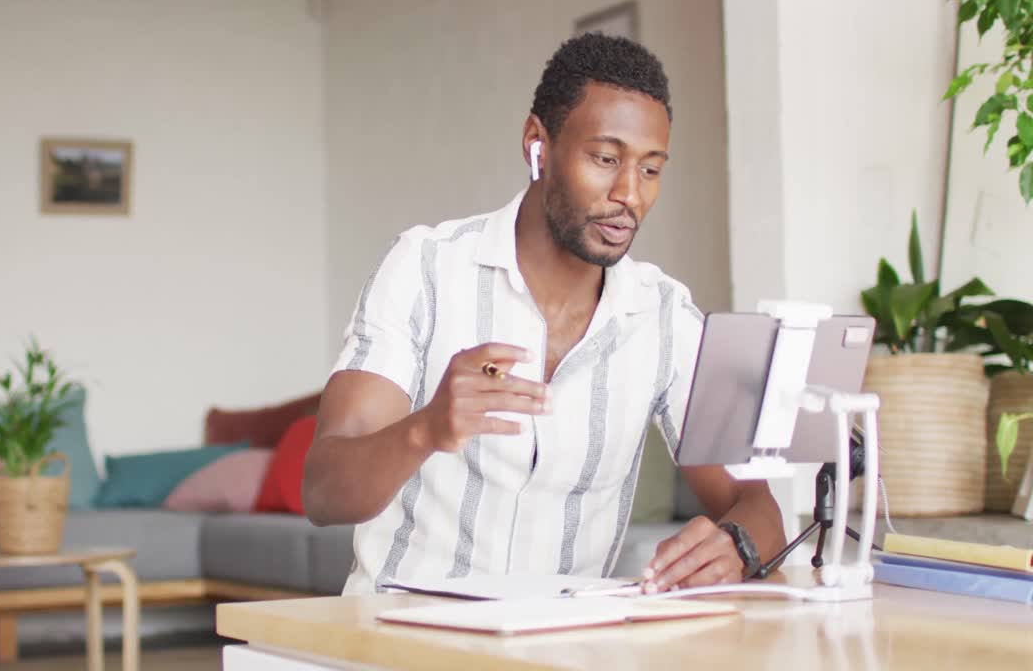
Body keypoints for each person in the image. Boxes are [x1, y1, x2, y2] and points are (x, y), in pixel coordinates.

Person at [302, 32, 785, 596]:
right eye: (605, 159)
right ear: (538, 144)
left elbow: (756, 502)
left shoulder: (664, 317)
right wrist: (426, 428)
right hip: (404, 640)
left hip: (564, 647)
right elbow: (323, 491)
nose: (629, 194)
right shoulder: (424, 270)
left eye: (650, 170)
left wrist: (736, 545)